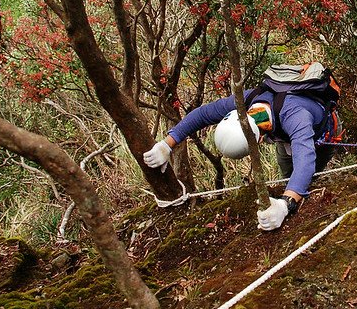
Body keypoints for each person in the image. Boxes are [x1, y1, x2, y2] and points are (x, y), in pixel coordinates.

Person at [144, 88, 340, 231]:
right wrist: (167, 144)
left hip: (322, 136)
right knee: (288, 175)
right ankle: (294, 188)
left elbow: (305, 160)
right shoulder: (245, 101)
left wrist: (286, 204)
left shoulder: (295, 116)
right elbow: (203, 115)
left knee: (311, 175)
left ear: (260, 140)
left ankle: (302, 195)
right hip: (285, 138)